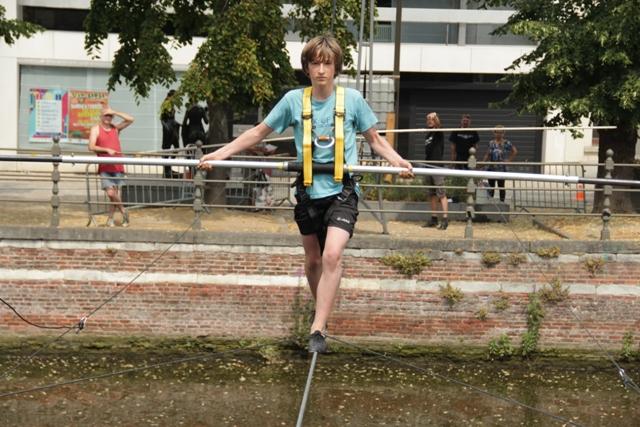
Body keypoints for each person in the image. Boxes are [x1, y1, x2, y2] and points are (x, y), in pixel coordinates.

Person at [198, 35, 413, 353]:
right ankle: (322, 317)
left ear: (336, 67)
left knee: (332, 255)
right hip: (309, 192)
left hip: (342, 191)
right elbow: (258, 132)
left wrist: (398, 162)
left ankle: (317, 328)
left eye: (327, 63)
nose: (321, 70)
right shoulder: (293, 101)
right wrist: (220, 154)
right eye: (315, 63)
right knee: (313, 261)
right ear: (307, 67)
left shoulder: (352, 100)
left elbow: (376, 140)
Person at [88, 106, 134, 227]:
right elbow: (91, 146)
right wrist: (106, 150)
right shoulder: (95, 129)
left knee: (114, 195)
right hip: (105, 166)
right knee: (111, 193)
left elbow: (130, 119)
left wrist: (115, 111)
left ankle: (110, 219)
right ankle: (124, 211)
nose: (108, 117)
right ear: (101, 116)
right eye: (106, 115)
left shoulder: (116, 128)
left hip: (117, 165)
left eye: (110, 115)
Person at [421, 112, 448, 230]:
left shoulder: (438, 133)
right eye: (428, 119)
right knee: (431, 194)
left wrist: (435, 116)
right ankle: (434, 218)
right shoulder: (428, 135)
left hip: (437, 166)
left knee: (441, 193)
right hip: (428, 166)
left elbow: (439, 125)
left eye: (432, 119)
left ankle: (445, 219)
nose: (429, 121)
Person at [482, 125, 518, 202]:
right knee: (491, 186)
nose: (499, 134)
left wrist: (509, 160)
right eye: (497, 132)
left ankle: (502, 202)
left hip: (501, 169)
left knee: (501, 186)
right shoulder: (491, 143)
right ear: (494, 133)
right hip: (491, 168)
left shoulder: (506, 143)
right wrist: (482, 163)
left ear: (503, 133)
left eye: (501, 132)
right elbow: (487, 154)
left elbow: (514, 151)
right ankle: (490, 202)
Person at [160, 90, 182, 178]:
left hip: (173, 128)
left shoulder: (172, 104)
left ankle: (169, 166)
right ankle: (166, 170)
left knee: (176, 148)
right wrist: (166, 127)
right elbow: (161, 118)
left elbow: (172, 118)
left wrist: (178, 123)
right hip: (168, 129)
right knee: (166, 149)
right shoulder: (165, 104)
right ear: (171, 96)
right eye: (175, 96)